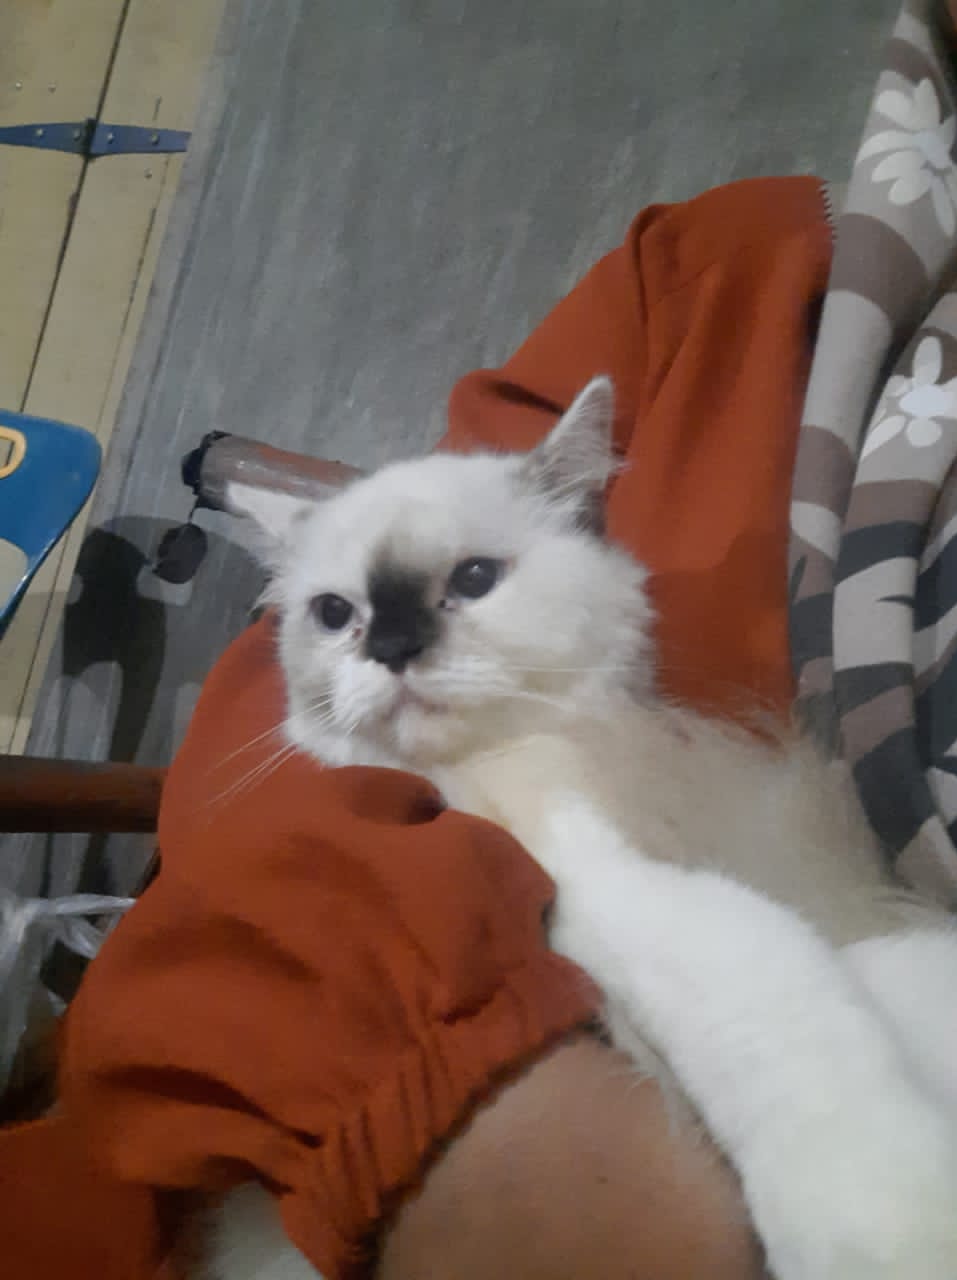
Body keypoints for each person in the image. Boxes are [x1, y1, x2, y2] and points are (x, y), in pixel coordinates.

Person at [0, 174, 831, 1279]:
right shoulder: (714, 268)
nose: (390, 648)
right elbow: (262, 743)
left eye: (470, 583)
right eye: (335, 618)